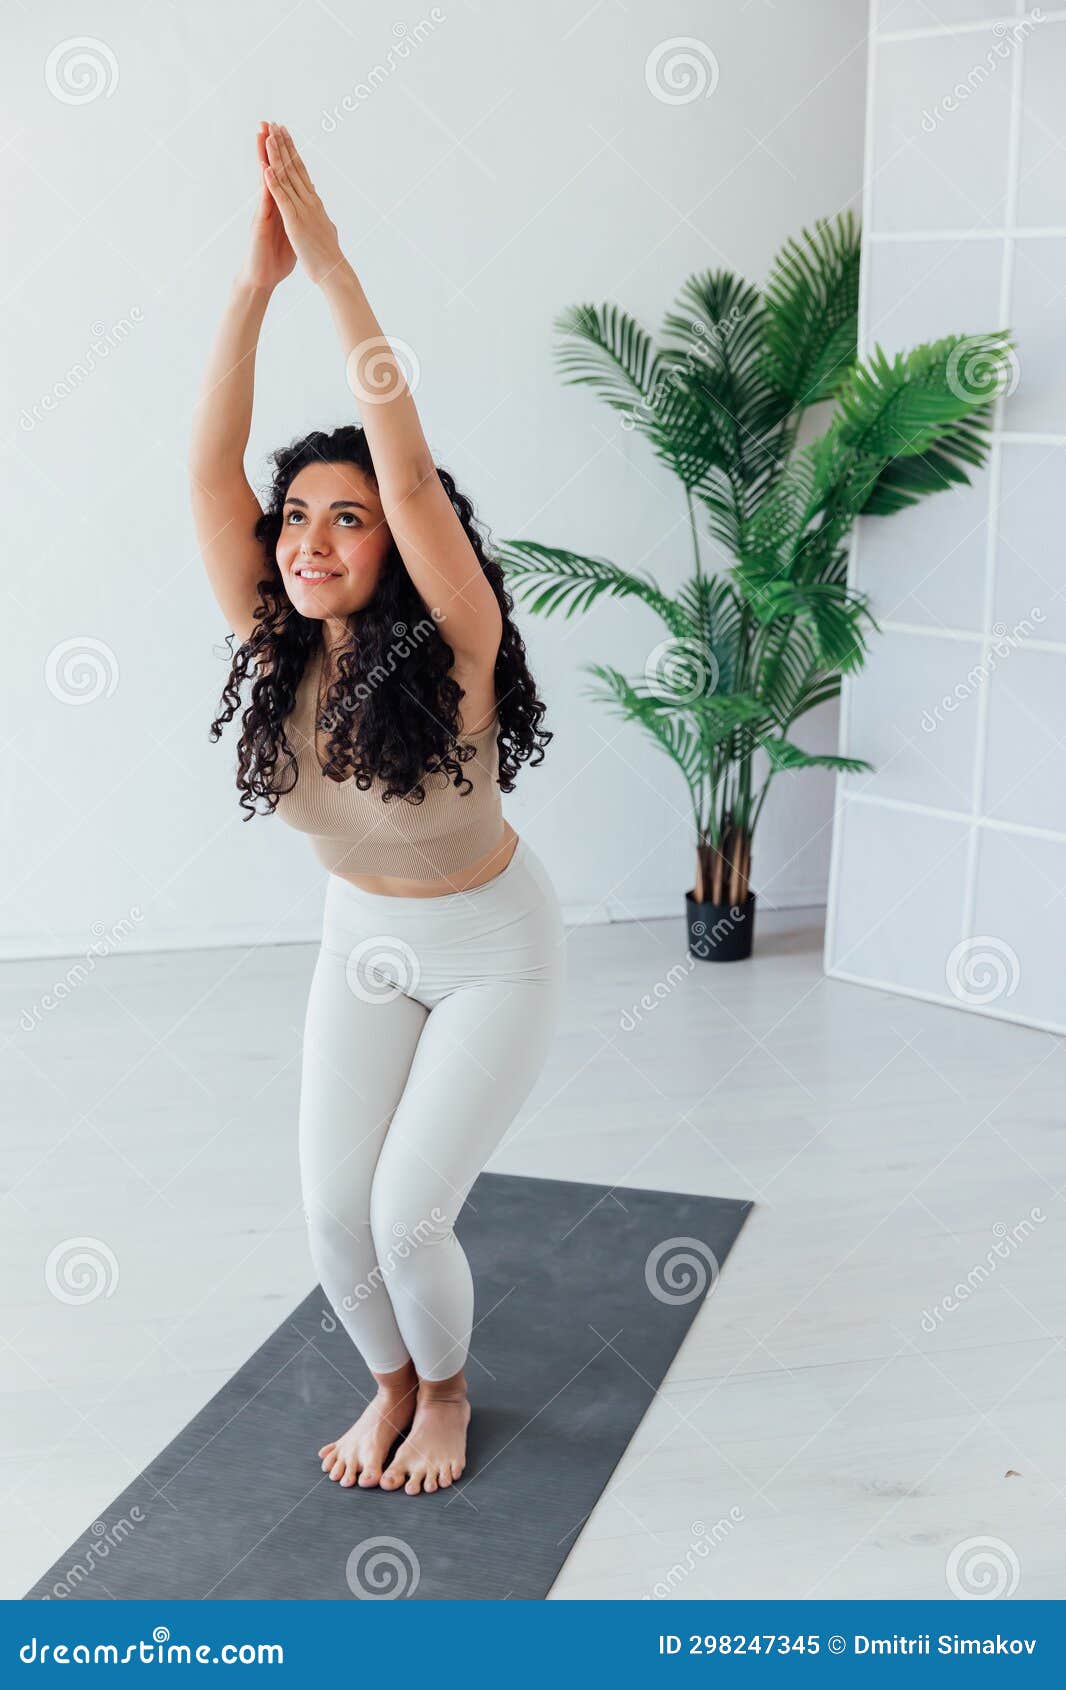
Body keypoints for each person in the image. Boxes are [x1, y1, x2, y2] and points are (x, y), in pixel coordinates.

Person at [189, 122, 566, 1496]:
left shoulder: (451, 644)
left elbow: (405, 473)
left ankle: (450, 1392)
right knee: (331, 1219)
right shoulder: (270, 638)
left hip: (490, 951)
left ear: (395, 545)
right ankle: (391, 1380)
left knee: (409, 1219)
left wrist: (331, 266)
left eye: (345, 520)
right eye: (297, 515)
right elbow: (203, 473)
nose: (309, 538)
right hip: (362, 941)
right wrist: (250, 292)